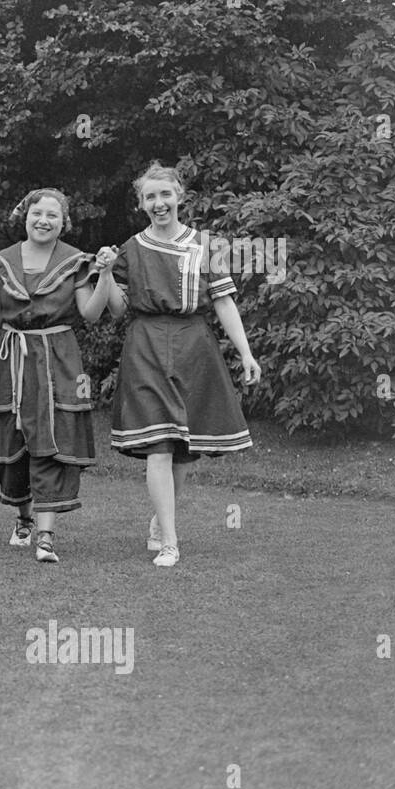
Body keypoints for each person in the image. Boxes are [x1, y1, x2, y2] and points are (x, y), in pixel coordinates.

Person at [99, 161, 261, 567]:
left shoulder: (207, 245)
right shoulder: (131, 249)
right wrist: (104, 274)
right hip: (146, 344)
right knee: (157, 443)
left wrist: (246, 353)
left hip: (194, 344)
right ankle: (170, 541)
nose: (159, 203)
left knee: (183, 449)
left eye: (165, 195)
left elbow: (223, 301)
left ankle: (160, 522)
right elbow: (117, 310)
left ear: (179, 197)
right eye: (150, 197)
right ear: (141, 203)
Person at [0, 188, 119, 564]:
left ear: (63, 222)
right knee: (13, 442)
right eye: (38, 213)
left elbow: (91, 314)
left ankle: (46, 535)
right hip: (11, 359)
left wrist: (105, 275)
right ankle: (24, 519)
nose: (44, 220)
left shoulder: (75, 262)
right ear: (25, 216)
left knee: (53, 440)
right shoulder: (0, 263)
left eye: (53, 215)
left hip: (58, 359)